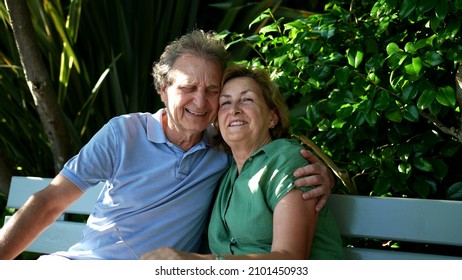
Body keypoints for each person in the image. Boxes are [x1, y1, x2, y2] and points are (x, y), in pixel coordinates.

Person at [0, 30, 334, 260]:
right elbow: (49, 201)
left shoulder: (222, 148)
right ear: (163, 89)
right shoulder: (123, 134)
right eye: (188, 87)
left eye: (212, 90)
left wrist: (322, 176)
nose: (201, 102)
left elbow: (271, 160)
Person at [142, 64, 344, 260]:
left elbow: (290, 259)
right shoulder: (225, 171)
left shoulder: (287, 162)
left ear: (272, 117)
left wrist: (201, 263)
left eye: (247, 100)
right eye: (225, 103)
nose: (234, 110)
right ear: (217, 122)